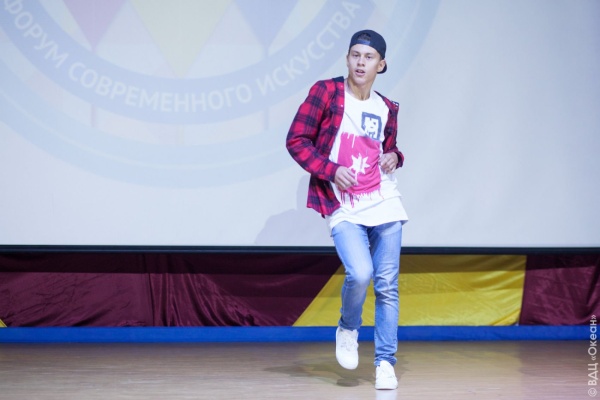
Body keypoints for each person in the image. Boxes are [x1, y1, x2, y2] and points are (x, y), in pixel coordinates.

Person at [286, 29, 408, 390]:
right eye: (355, 55)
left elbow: (390, 147)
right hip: (343, 202)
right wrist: (330, 169)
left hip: (384, 200)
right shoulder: (326, 92)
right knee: (360, 272)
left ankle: (385, 363)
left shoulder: (386, 107)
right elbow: (296, 140)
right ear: (347, 59)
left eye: (368, 57)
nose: (360, 62)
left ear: (381, 65)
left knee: (387, 285)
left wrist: (394, 156)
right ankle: (348, 327)